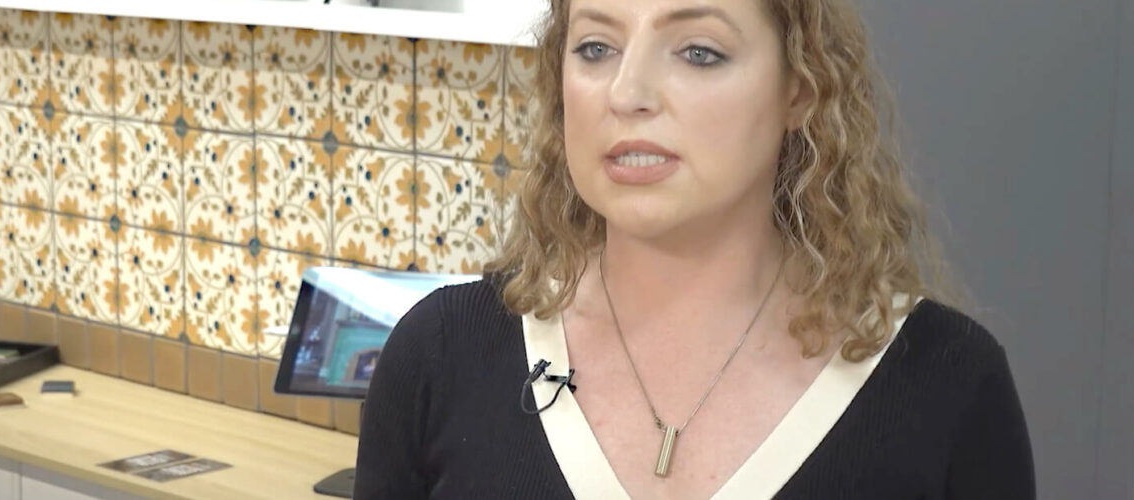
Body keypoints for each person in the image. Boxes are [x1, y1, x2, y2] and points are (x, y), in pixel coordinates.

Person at [354, 0, 1036, 498]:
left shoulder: (947, 385)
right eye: (596, 47)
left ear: (800, 87)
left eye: (698, 51)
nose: (627, 93)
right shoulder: (440, 355)